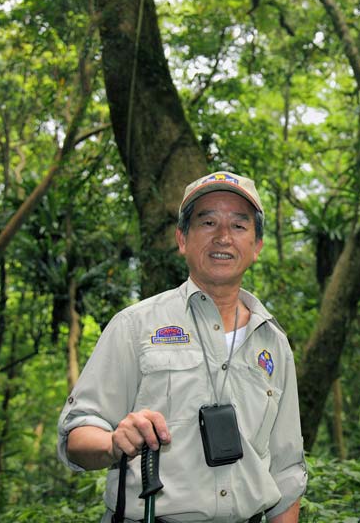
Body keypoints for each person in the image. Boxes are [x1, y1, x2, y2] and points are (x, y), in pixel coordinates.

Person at [57, 170, 306, 522]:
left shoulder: (273, 344)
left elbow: (287, 471)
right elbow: (77, 437)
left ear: (257, 247)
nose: (223, 237)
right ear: (182, 239)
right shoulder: (135, 325)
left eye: (239, 225)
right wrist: (113, 442)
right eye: (208, 222)